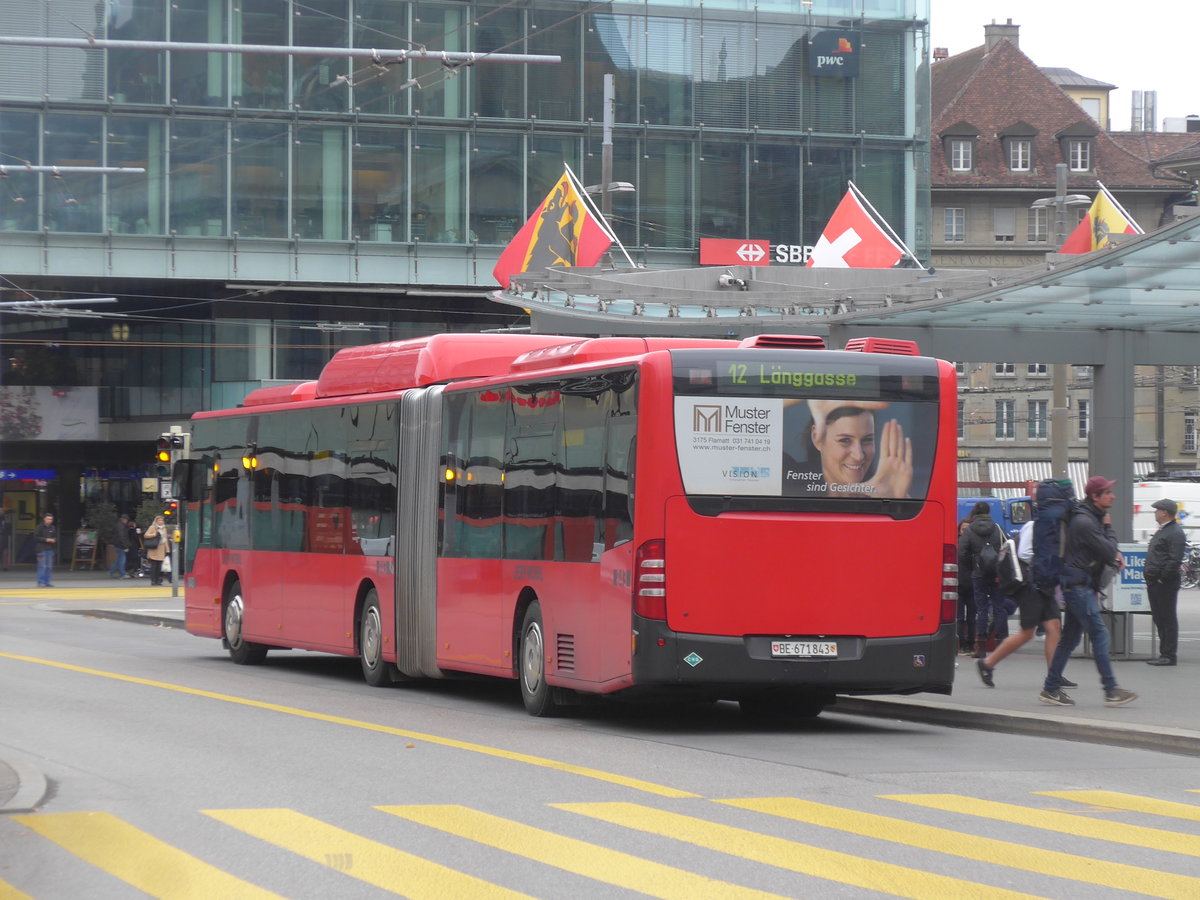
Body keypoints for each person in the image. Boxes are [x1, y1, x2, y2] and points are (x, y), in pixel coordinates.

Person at [1040, 476, 1137, 707]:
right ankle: (1111, 690)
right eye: (1108, 493)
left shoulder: (1088, 517)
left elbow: (1105, 550)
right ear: (1095, 496)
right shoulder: (1086, 522)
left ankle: (1050, 688)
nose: (1113, 496)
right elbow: (1108, 550)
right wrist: (1108, 527)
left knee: (1070, 640)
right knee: (1100, 635)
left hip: (1077, 585)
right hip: (1078, 588)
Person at [975, 509, 1076, 689]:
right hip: (1031, 585)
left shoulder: (1053, 528)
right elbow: (1025, 554)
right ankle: (988, 663)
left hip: (1044, 584)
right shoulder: (1034, 525)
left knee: (1054, 627)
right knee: (1027, 632)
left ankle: (1054, 674)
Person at [802, 401, 913, 498]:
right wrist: (812, 391)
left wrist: (900, 501)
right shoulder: (794, 478)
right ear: (817, 438)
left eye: (867, 440)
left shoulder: (881, 490)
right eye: (845, 440)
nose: (859, 456)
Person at [960, 500, 1006, 656]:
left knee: (981, 609)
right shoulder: (997, 528)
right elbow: (1007, 547)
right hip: (996, 574)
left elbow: (962, 552)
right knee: (999, 607)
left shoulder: (969, 530)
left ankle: (981, 647)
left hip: (979, 574)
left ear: (975, 512)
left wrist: (973, 566)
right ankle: (1001, 643)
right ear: (988, 512)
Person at [1144, 497, 1185, 666]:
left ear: (1164, 513)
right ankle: (1164, 653)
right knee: (1159, 617)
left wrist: (1162, 578)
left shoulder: (1174, 532)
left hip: (1164, 583)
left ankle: (1169, 655)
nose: (1155, 512)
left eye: (1157, 510)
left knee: (1167, 618)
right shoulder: (1164, 530)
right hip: (1155, 581)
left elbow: (1175, 560)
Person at [956, 519, 976, 654]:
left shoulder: (956, 545)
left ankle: (966, 643)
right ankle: (964, 643)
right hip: (964, 584)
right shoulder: (975, 545)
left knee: (967, 617)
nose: (965, 532)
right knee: (963, 617)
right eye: (964, 529)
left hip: (969, 584)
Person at [143, 514, 170, 586]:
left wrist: (167, 550)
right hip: (154, 548)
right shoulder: (152, 527)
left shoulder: (164, 528)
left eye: (162, 520)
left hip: (161, 549)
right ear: (156, 521)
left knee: (159, 566)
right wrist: (154, 534)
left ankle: (158, 580)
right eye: (159, 520)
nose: (160, 522)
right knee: (154, 565)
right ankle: (153, 580)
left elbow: (165, 540)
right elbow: (146, 535)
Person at [34, 512, 57, 587]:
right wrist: (45, 539)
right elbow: (36, 537)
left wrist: (53, 540)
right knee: (42, 566)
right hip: (41, 549)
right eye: (48, 519)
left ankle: (47, 582)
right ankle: (40, 581)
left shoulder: (52, 527)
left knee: (49, 566)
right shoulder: (39, 527)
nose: (49, 520)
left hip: (50, 549)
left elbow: (55, 536)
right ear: (44, 519)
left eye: (51, 519)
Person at [108, 513, 132, 578]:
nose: (127, 521)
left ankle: (111, 571)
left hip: (117, 544)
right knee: (122, 560)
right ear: (123, 519)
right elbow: (122, 537)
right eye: (126, 520)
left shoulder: (119, 525)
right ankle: (122, 574)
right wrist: (125, 546)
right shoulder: (121, 526)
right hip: (121, 545)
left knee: (119, 559)